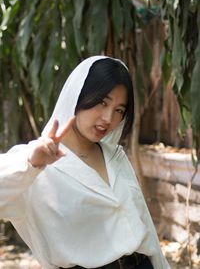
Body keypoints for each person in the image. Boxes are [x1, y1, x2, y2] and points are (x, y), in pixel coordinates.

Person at [0, 56, 170, 269]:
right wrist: (31, 164)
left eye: (119, 110)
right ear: (77, 97)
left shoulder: (115, 156)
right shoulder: (35, 165)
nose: (108, 118)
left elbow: (145, 227)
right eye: (102, 103)